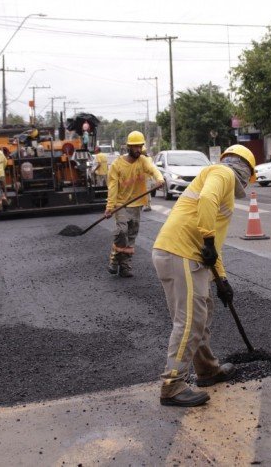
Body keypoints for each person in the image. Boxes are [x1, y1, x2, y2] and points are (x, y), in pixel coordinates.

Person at [152, 144, 256, 407]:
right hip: (182, 253)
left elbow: (214, 247)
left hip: (184, 253)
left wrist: (222, 279)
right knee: (189, 321)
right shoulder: (223, 173)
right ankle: (172, 385)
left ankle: (207, 370)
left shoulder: (222, 182)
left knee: (202, 313)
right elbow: (207, 201)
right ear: (246, 171)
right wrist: (207, 240)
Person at [104, 131, 164, 278]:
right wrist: (110, 207)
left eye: (140, 146)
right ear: (129, 147)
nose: (138, 149)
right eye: (135, 147)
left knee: (131, 236)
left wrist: (159, 179)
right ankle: (114, 260)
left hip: (136, 204)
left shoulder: (143, 161)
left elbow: (153, 169)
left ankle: (125, 266)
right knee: (122, 231)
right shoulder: (117, 165)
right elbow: (113, 187)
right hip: (121, 204)